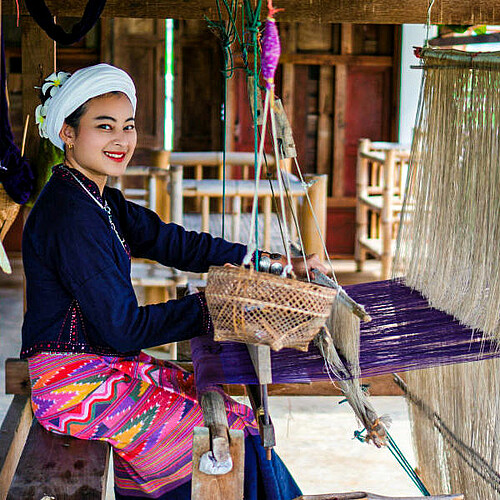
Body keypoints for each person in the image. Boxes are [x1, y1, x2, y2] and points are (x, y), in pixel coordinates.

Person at [22, 63, 328, 499]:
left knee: (231, 416)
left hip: (103, 368)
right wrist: (214, 305)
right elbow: (123, 329)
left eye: (128, 127)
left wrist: (271, 263)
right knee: (234, 437)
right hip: (75, 388)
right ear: (68, 133)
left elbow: (174, 243)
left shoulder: (97, 198)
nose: (121, 140)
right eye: (103, 126)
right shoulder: (71, 215)